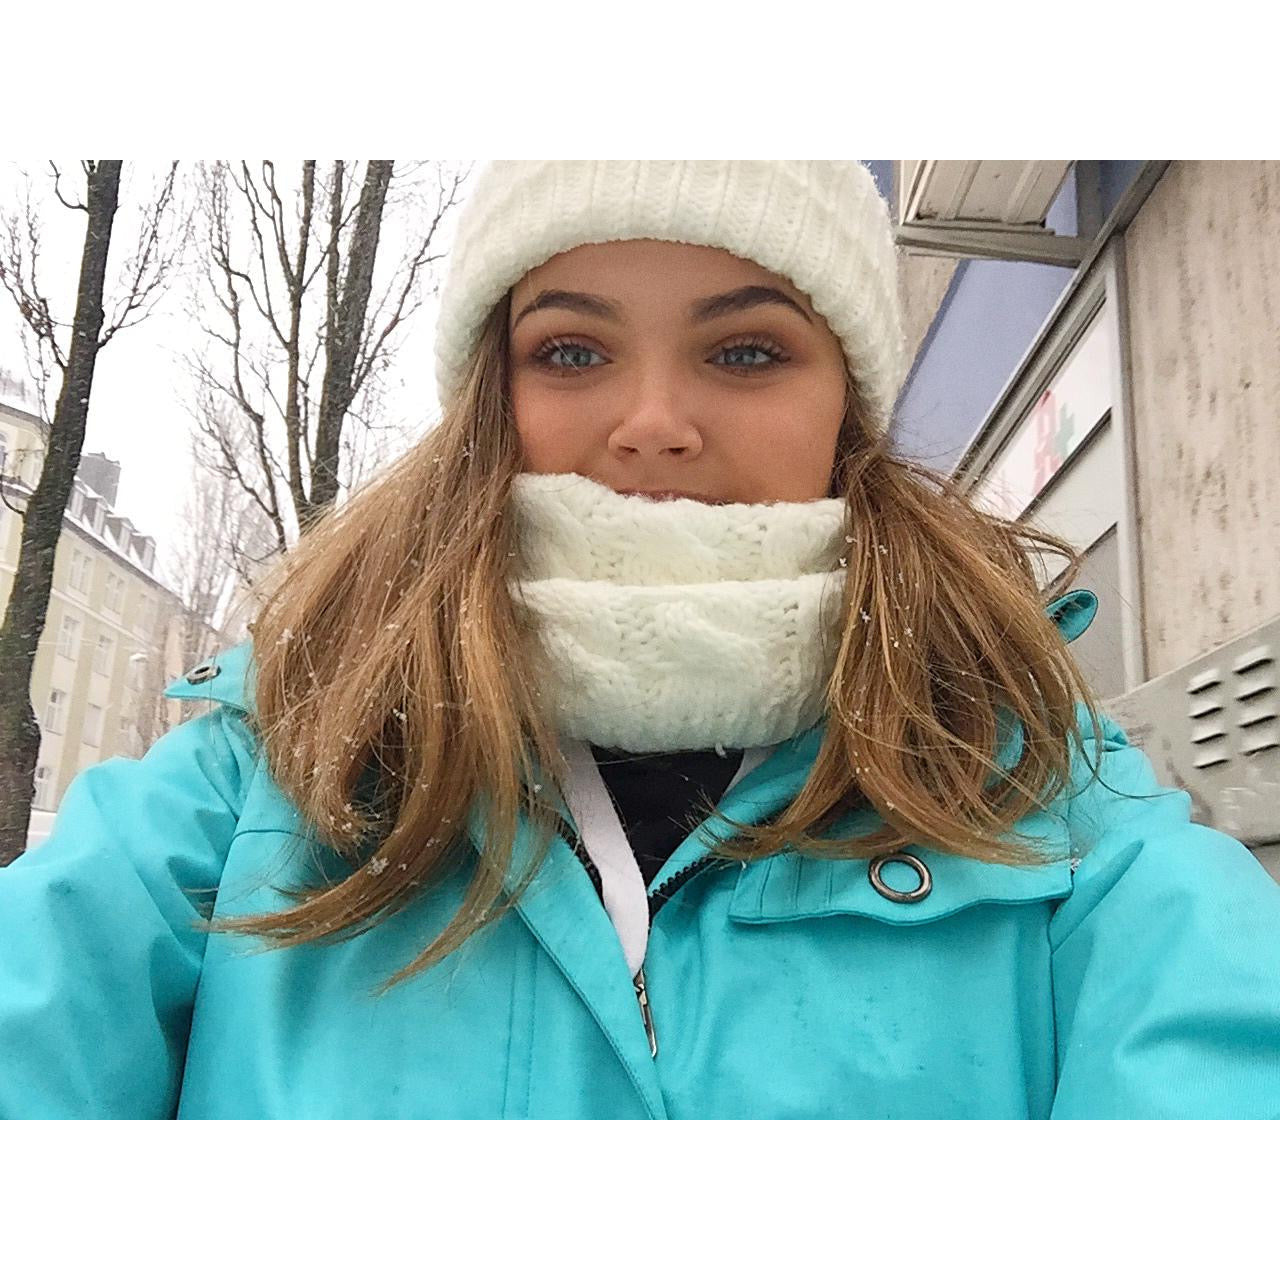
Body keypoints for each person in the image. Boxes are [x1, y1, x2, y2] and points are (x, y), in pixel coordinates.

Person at [2, 159, 1278, 1120]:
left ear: (845, 403)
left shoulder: (1041, 792)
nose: (653, 419)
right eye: (571, 349)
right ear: (488, 398)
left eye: (744, 350)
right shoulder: (267, 769)